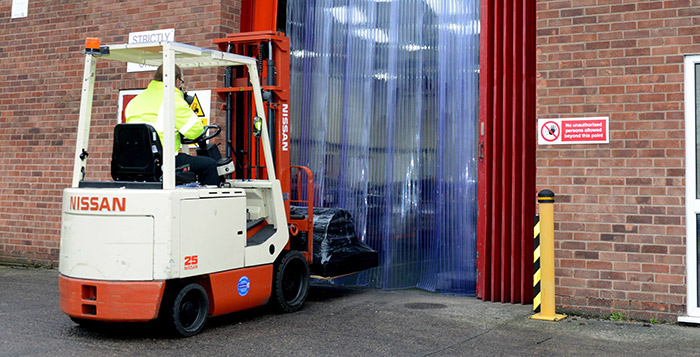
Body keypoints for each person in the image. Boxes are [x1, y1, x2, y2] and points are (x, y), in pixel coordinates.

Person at [125, 64, 219, 186]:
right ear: (177, 80)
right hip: (163, 160)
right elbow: (195, 131)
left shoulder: (135, 101)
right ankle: (210, 205)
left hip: (135, 161)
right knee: (209, 165)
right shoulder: (171, 99)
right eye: (181, 82)